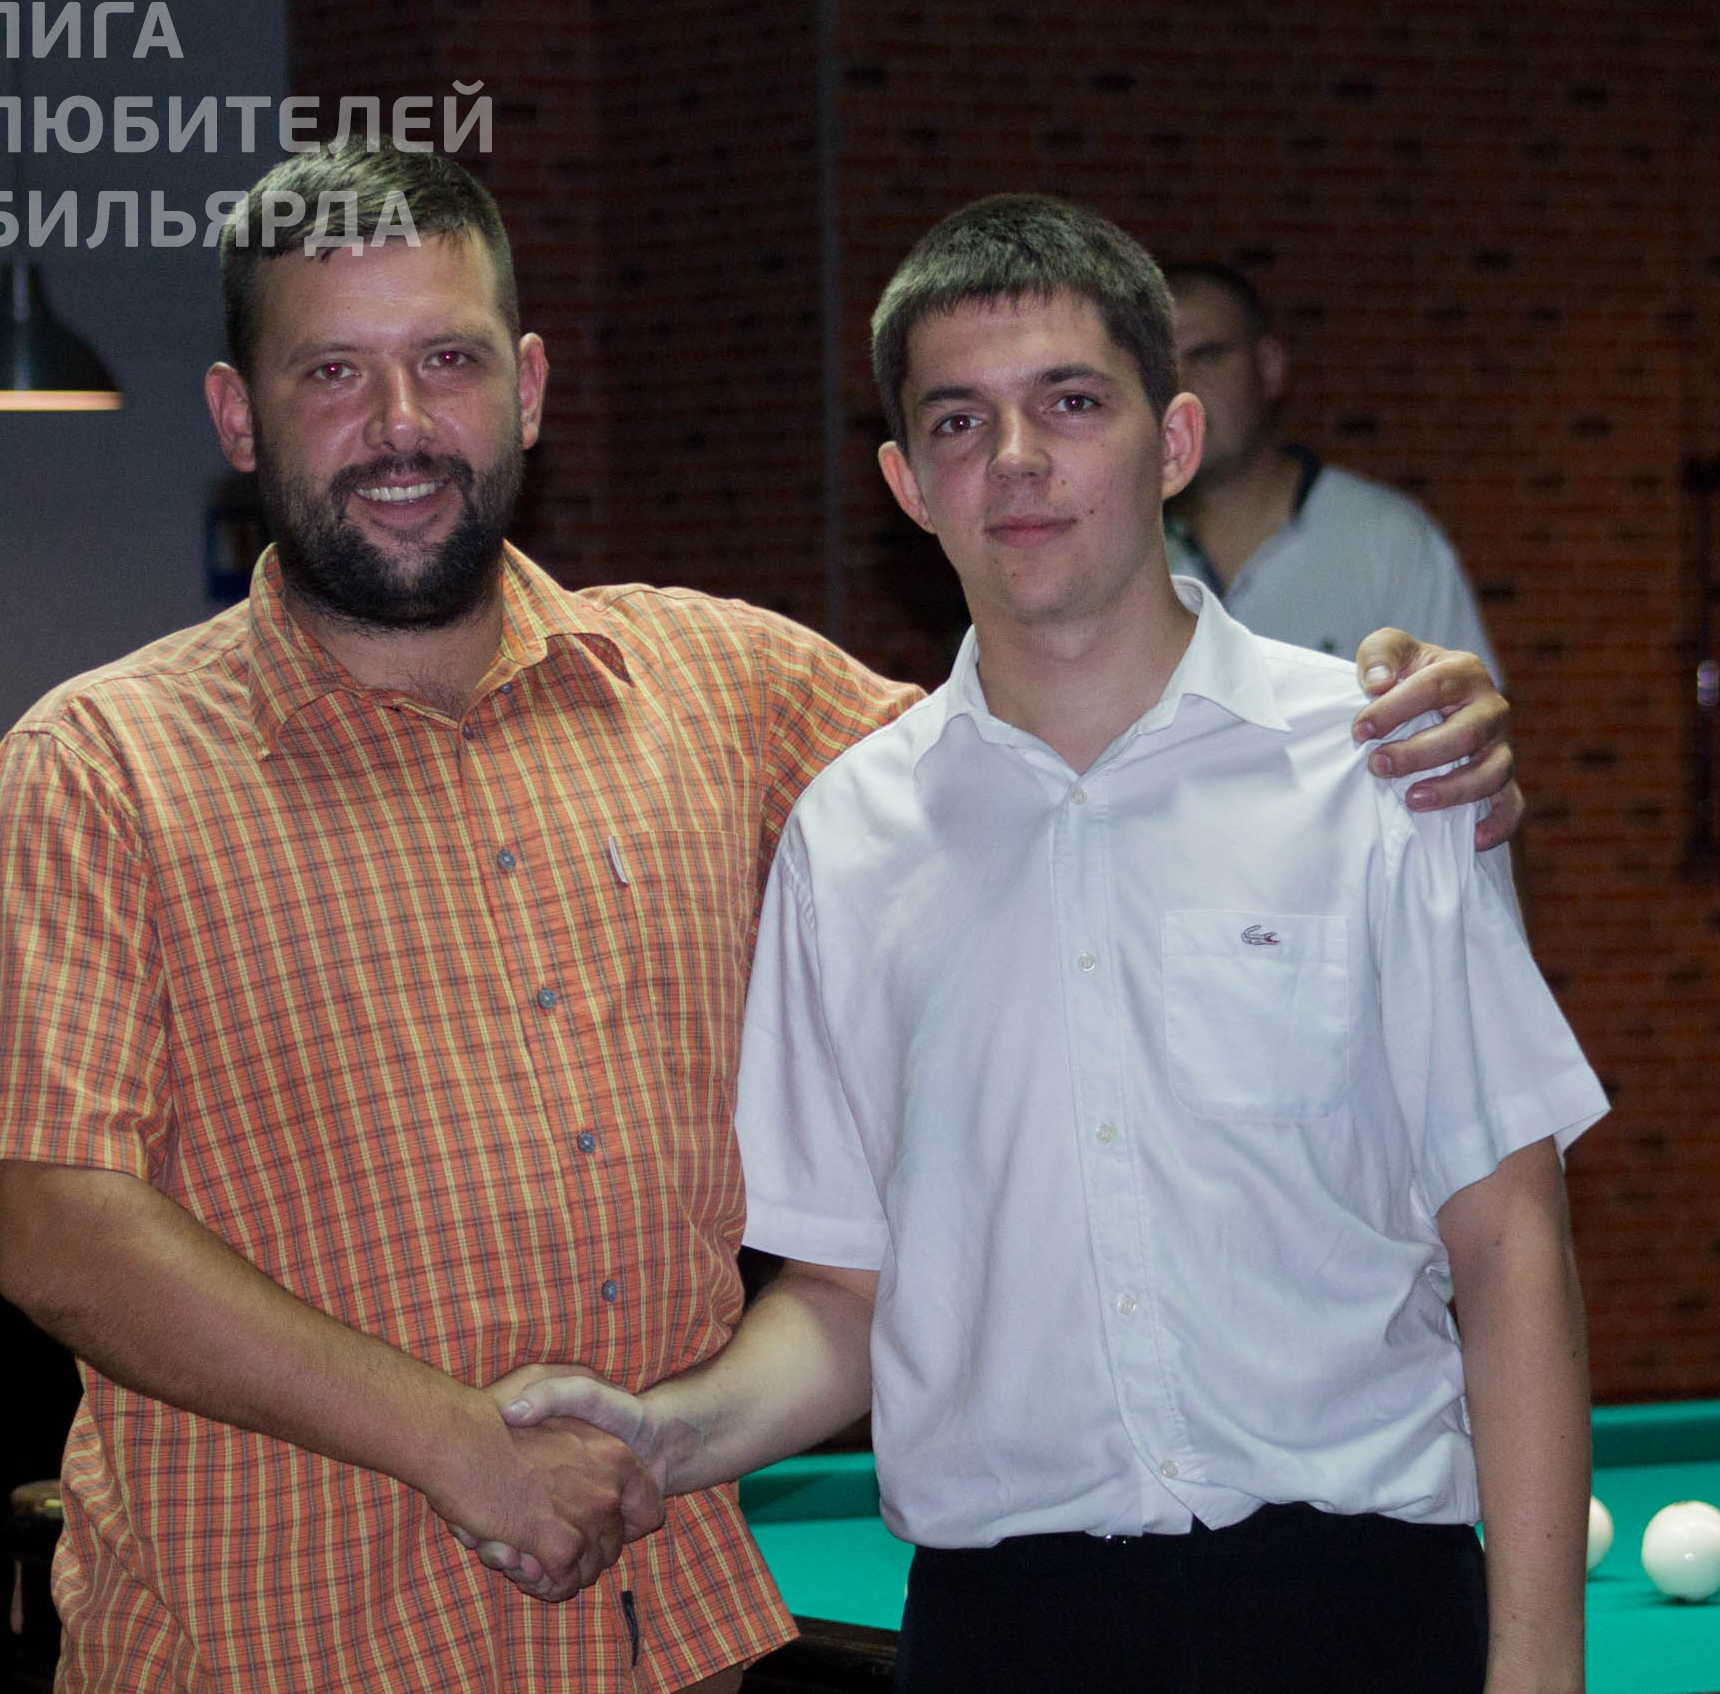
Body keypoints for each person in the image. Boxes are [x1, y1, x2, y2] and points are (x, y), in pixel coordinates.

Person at [0, 143, 1525, 1693]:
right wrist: (454, 1442)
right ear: (240, 415)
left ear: (527, 386)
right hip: (275, 1649)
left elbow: (1076, 771)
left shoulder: (720, 687)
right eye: (333, 373)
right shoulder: (100, 764)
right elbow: (60, 1229)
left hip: (654, 1650)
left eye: (448, 361)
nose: (401, 424)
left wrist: (1375, 716)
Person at [495, 196, 1602, 1694]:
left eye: (1071, 402)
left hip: (1364, 1607)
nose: (1014, 458)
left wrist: (1537, 1676)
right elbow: (842, 1293)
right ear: (907, 483)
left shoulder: (1377, 769)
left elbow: (1511, 1240)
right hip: (1002, 1633)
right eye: (958, 421)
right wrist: (671, 1433)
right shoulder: (849, 836)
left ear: (1175, 440)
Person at [1164, 261, 1501, 677]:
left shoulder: (1386, 537)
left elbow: (1464, 708)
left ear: (1268, 367)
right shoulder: (1119, 546)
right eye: (1161, 367)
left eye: (1209, 357)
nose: (1181, 387)